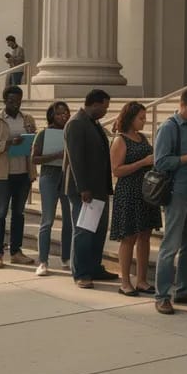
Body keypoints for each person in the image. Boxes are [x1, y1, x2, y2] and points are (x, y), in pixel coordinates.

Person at [152, 88, 187, 314]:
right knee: (170, 245)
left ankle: (184, 289)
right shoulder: (168, 127)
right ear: (182, 105)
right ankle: (162, 294)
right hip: (176, 192)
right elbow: (161, 162)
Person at [0, 85, 38, 269]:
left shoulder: (27, 119)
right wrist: (7, 144)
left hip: (23, 172)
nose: (16, 104)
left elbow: (34, 142)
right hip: (3, 174)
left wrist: (32, 140)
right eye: (12, 101)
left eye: (19, 101)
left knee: (19, 214)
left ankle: (16, 251)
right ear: (5, 101)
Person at [65, 89, 116, 289]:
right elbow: (76, 159)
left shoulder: (93, 124)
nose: (105, 111)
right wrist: (83, 188)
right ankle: (81, 272)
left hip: (99, 187)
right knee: (84, 231)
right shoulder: (76, 124)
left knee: (99, 230)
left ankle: (95, 267)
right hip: (84, 189)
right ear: (94, 104)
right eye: (104, 107)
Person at [109, 101, 159, 296]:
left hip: (146, 192)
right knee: (128, 237)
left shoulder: (143, 138)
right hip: (128, 191)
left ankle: (142, 280)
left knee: (145, 235)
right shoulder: (120, 140)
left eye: (145, 117)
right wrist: (143, 162)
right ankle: (125, 281)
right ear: (130, 118)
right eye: (141, 118)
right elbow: (116, 170)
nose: (144, 121)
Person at [31, 100, 73, 276]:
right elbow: (34, 158)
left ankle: (66, 258)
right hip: (49, 176)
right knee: (47, 220)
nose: (63, 116)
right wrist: (56, 155)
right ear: (51, 116)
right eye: (59, 113)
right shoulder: (43, 134)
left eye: (65, 113)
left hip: (67, 176)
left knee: (69, 220)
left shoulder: (71, 132)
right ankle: (43, 261)